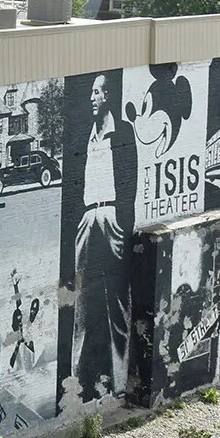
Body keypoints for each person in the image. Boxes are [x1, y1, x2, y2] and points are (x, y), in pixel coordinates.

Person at [72, 73, 136, 402]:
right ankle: (77, 381)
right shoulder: (88, 133)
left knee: (117, 301)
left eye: (97, 92)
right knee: (83, 300)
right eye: (91, 92)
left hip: (111, 214)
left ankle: (121, 378)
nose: (92, 98)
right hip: (88, 215)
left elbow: (131, 185)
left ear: (108, 95)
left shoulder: (122, 131)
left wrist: (123, 225)